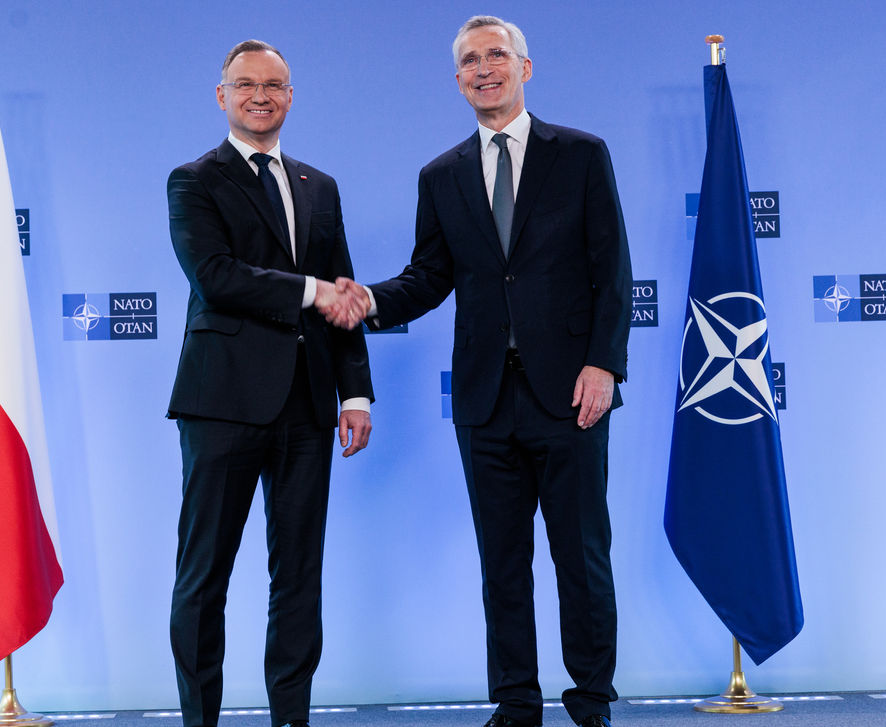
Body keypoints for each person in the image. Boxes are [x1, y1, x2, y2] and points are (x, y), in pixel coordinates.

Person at [330, 15, 631, 727]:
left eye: (498, 55)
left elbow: (611, 270)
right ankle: (517, 701)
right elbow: (430, 276)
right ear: (457, 79)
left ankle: (591, 701)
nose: (484, 68)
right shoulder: (442, 175)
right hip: (484, 402)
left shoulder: (583, 155)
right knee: (502, 562)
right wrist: (369, 300)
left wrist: (604, 364)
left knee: (581, 557)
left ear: (526, 67)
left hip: (571, 393)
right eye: (470, 60)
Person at [166, 39, 375, 727]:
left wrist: (354, 391)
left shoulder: (320, 186)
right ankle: (202, 720)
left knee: (297, 578)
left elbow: (342, 296)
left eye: (275, 84)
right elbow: (217, 278)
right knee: (205, 577)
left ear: (291, 96)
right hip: (222, 404)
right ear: (220, 94)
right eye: (246, 83)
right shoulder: (194, 180)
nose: (261, 95)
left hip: (308, 407)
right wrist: (313, 291)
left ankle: (292, 718)